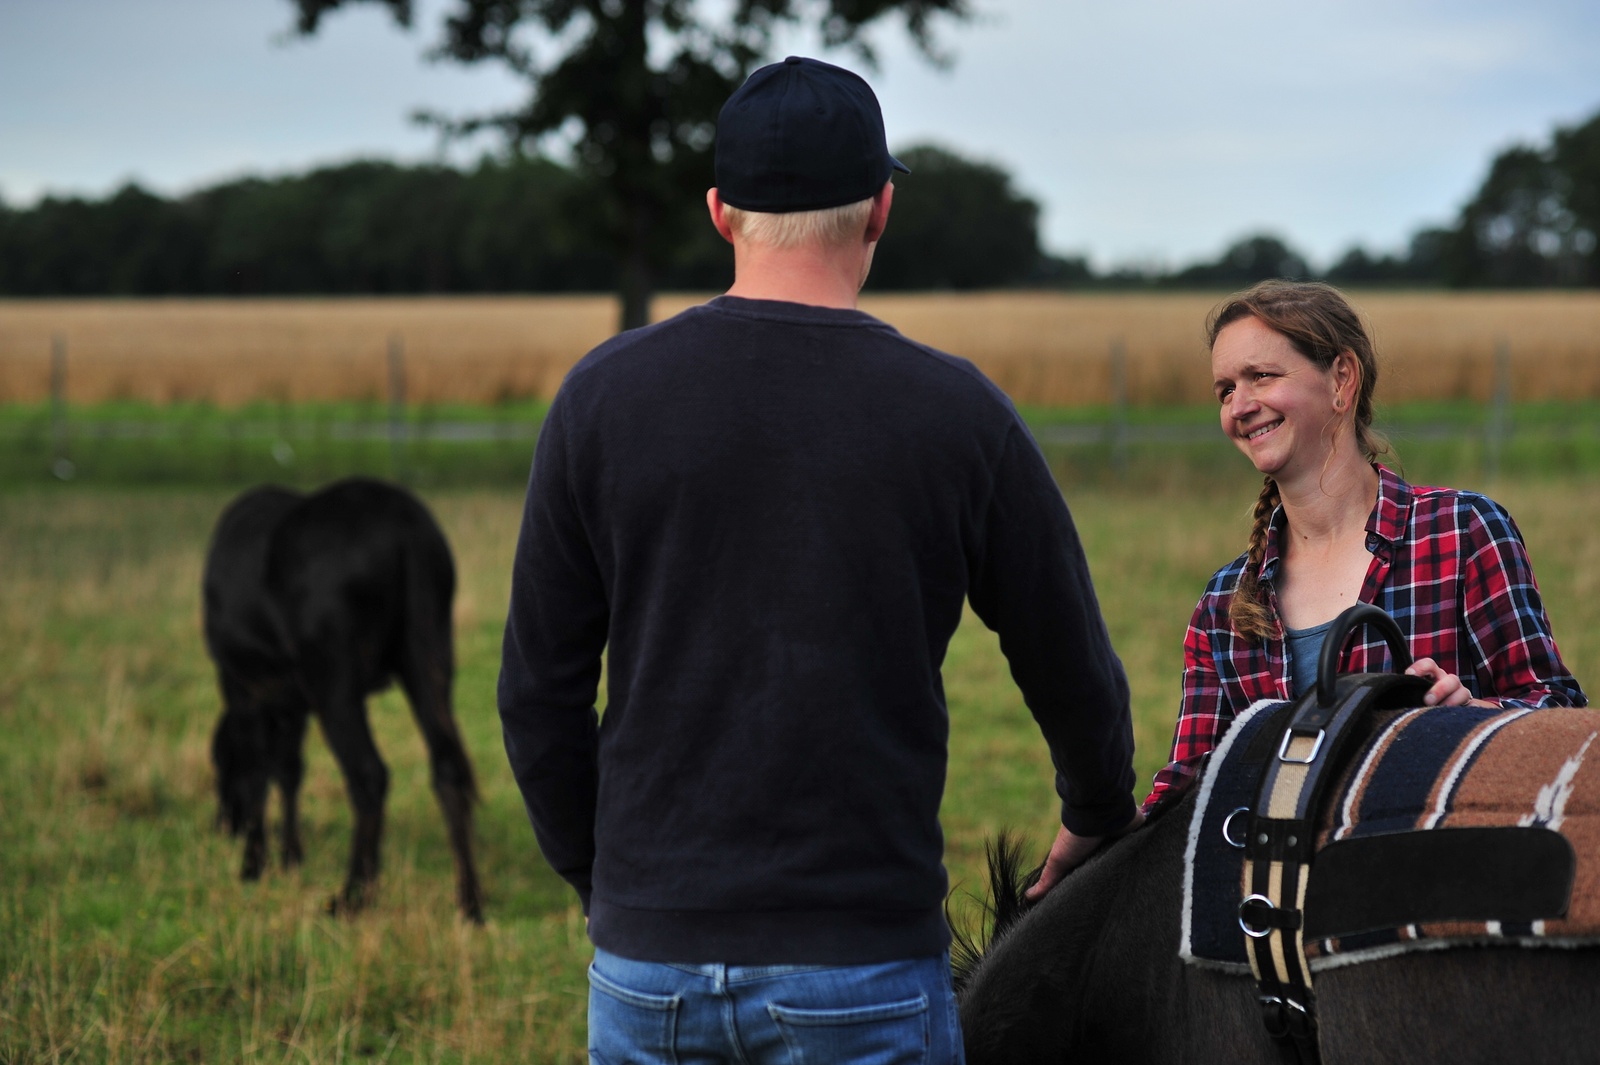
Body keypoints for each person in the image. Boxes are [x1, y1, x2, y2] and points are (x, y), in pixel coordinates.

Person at [498, 55, 1140, 1064]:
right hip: (863, 962)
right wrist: (1096, 810)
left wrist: (608, 883)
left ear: (720, 212)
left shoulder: (601, 397)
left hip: (648, 964)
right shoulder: (955, 409)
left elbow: (537, 693)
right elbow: (1069, 658)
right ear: (880, 209)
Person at [1145, 279, 1586, 809]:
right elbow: (1186, 794)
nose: (1240, 405)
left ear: (1342, 379)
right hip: (1288, 889)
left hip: (1445, 873)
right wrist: (1094, 834)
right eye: (1225, 390)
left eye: (1260, 377)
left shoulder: (1461, 532)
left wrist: (1474, 716)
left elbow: (1560, 715)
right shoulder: (1224, 604)